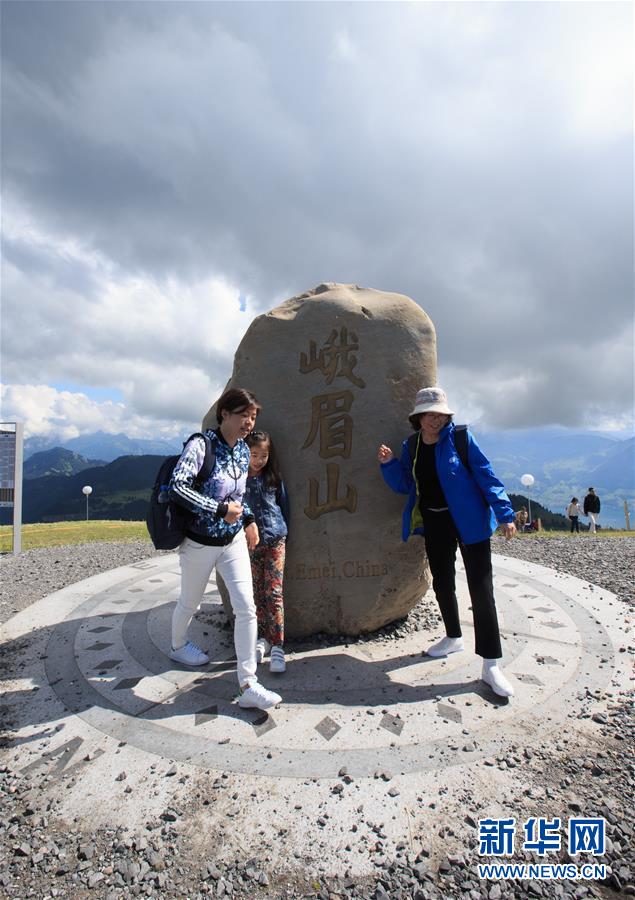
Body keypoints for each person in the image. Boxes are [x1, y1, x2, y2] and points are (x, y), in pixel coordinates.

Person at [378, 386, 517, 698]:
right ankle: (453, 637)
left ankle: (491, 664)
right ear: (418, 417)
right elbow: (405, 484)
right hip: (435, 522)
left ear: (447, 415)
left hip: (471, 523)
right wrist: (388, 465)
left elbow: (487, 476)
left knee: (482, 590)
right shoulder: (412, 445)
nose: (435, 419)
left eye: (440, 414)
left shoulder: (461, 439)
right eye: (429, 414)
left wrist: (505, 514)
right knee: (442, 582)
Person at [168, 388, 282, 711]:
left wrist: (248, 520)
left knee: (246, 606)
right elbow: (179, 485)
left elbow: (239, 497)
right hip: (200, 542)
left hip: (231, 541)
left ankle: (248, 682)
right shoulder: (201, 445)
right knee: (189, 603)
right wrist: (218, 510)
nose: (249, 422)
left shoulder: (244, 453)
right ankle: (177, 645)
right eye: (244, 415)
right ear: (225, 414)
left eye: (254, 416)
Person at [244, 430, 289, 674]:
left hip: (275, 540)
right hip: (250, 544)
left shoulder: (273, 477)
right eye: (254, 454)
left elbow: (284, 505)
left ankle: (278, 645)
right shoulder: (238, 480)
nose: (259, 459)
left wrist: (285, 533)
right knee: (256, 593)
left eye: (264, 455)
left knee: (273, 592)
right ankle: (263, 639)